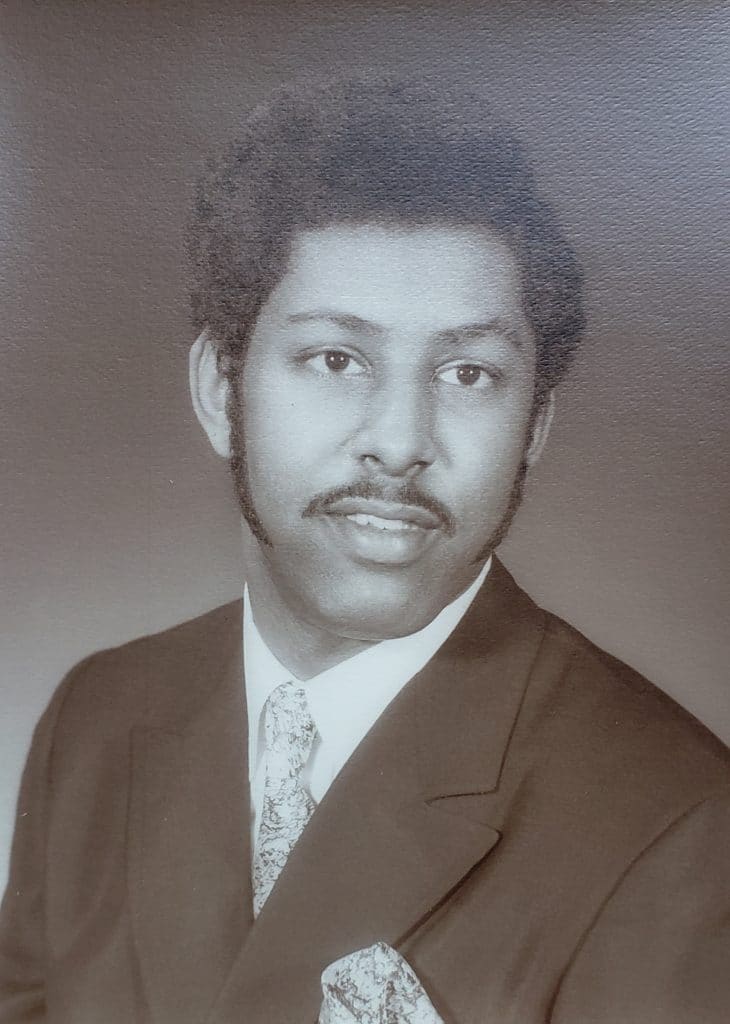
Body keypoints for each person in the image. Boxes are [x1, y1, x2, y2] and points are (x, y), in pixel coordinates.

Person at [1, 76, 728, 1024]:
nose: (399, 440)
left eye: (468, 373)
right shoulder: (99, 718)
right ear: (222, 390)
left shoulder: (678, 820)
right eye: (336, 359)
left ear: (536, 428)